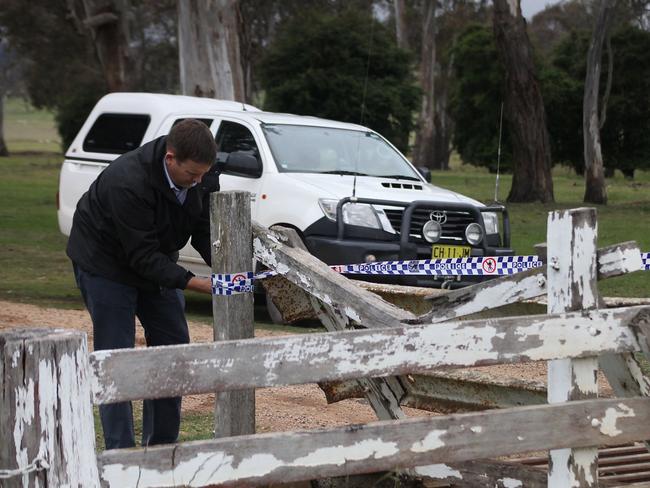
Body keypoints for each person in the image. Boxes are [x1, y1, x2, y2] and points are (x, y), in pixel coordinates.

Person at [67, 119, 218, 449]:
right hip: (105, 263)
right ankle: (121, 457)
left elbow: (204, 230)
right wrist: (198, 284)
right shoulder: (128, 181)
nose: (199, 181)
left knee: (172, 351)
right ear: (170, 158)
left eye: (204, 173)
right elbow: (142, 256)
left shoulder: (204, 175)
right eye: (192, 174)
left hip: (156, 258)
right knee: (116, 358)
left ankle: (162, 452)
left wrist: (227, 268)